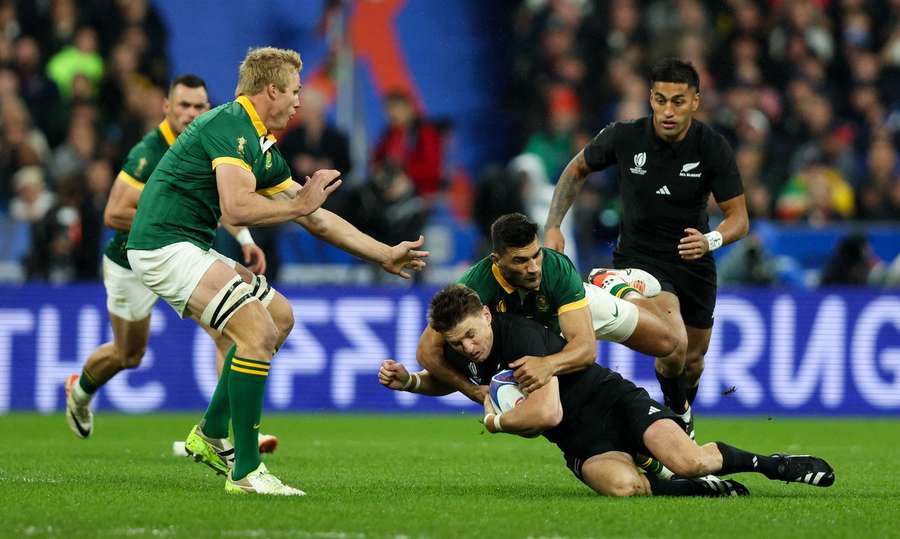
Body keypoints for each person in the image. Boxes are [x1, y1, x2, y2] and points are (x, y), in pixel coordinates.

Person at [125, 47, 428, 496]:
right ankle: (246, 471)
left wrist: (382, 253)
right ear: (271, 90)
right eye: (295, 91)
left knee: (280, 317)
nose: (299, 102)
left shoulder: (263, 146)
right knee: (257, 335)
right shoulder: (229, 125)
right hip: (163, 245)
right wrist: (301, 205)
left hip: (188, 244)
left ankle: (210, 433)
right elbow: (235, 205)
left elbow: (315, 217)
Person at [379, 284, 835, 497]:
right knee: (624, 489)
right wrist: (414, 383)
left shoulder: (522, 341)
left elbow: (546, 415)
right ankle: (698, 490)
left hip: (613, 403)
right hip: (582, 439)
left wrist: (496, 420)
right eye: (457, 343)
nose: (467, 347)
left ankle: (773, 465)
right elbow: (455, 382)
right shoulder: (468, 350)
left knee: (690, 460)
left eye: (471, 335)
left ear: (487, 315)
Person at [62, 74, 278, 453]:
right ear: (166, 107)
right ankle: (80, 391)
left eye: (199, 106)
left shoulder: (210, 140)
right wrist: (165, 221)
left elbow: (216, 196)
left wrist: (244, 238)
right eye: (184, 105)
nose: (192, 112)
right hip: (132, 261)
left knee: (230, 331)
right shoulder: (148, 151)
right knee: (128, 354)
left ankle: (224, 430)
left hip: (183, 255)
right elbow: (113, 213)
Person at [544, 59, 750, 437]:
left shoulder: (712, 147)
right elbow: (576, 169)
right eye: (659, 100)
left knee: (692, 360)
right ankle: (678, 425)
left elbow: (739, 218)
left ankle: (678, 413)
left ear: (695, 102)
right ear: (650, 99)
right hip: (639, 261)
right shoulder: (625, 137)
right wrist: (554, 225)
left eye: (677, 101)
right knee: (673, 345)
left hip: (694, 262)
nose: (667, 110)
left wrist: (710, 241)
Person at [416, 213, 688, 423]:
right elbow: (426, 352)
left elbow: (585, 349)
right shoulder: (474, 287)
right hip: (543, 333)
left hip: (576, 309)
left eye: (537, 255)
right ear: (496, 260)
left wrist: (547, 365)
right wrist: (473, 392)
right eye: (521, 261)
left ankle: (618, 287)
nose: (534, 268)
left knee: (668, 343)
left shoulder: (556, 269)